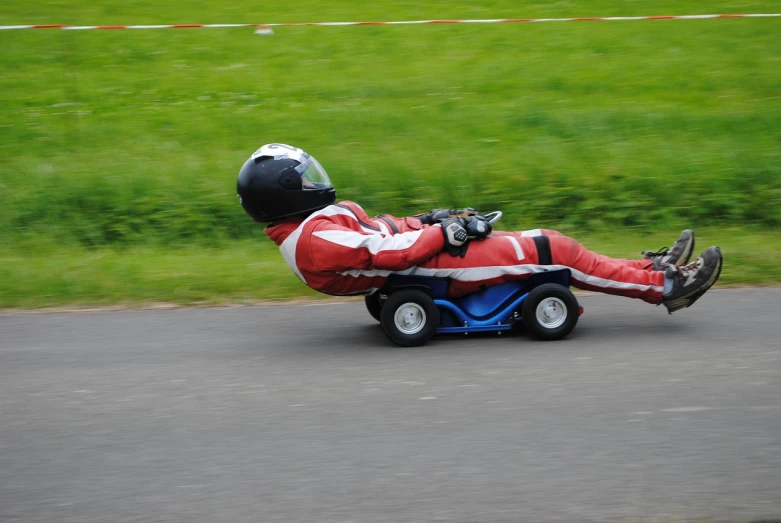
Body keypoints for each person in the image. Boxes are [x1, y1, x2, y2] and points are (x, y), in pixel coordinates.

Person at [237, 144, 722, 313]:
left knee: (553, 246)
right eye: (305, 180)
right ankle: (664, 286)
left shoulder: (314, 226)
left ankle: (646, 269)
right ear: (286, 195)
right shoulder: (317, 241)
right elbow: (391, 255)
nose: (317, 182)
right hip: (428, 270)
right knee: (556, 249)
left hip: (428, 257)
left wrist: (431, 219)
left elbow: (384, 231)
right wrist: (447, 235)